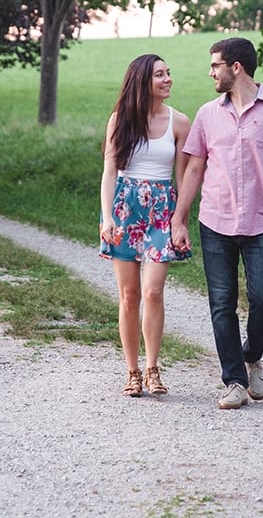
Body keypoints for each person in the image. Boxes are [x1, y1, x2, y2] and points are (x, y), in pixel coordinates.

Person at [170, 37, 263, 409]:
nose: (210, 72)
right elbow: (195, 167)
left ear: (236, 67)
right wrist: (179, 219)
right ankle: (233, 381)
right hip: (215, 221)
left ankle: (252, 357)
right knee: (221, 304)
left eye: (215, 65)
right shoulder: (207, 114)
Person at [100, 53, 193, 397]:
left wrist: (179, 219)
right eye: (159, 75)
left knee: (153, 291)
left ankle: (153, 368)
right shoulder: (119, 121)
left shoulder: (180, 122)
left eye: (169, 73)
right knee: (129, 295)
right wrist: (107, 216)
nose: (168, 79)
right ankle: (132, 372)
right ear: (142, 81)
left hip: (161, 210)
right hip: (125, 208)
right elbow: (110, 170)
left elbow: (184, 179)